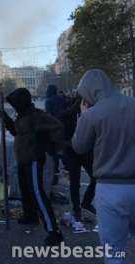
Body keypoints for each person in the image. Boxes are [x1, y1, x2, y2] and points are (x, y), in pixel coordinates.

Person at [72, 69, 135, 263]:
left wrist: (83, 116)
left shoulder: (92, 115)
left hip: (110, 188)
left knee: (113, 250)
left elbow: (79, 146)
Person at [0, 88, 64, 246]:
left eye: (16, 104)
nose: (14, 107)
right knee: (26, 190)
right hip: (23, 159)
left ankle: (53, 231)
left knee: (38, 194)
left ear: (22, 103)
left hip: (34, 159)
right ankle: (30, 215)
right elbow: (17, 132)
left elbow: (58, 127)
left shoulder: (37, 115)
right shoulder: (22, 116)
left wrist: (46, 142)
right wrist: (7, 120)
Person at [59, 93, 96, 224]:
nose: (88, 106)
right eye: (85, 103)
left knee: (96, 176)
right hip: (72, 152)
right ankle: (76, 209)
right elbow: (61, 137)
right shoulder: (67, 116)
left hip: (86, 152)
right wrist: (71, 143)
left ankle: (86, 202)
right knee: (75, 182)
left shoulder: (90, 116)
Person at [44, 85, 67, 185]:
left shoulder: (48, 101)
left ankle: (55, 176)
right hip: (62, 127)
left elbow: (49, 116)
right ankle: (67, 166)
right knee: (61, 150)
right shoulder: (61, 99)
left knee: (53, 153)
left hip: (53, 129)